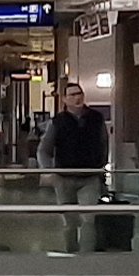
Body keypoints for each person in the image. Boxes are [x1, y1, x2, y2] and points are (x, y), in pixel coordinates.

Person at [43, 80, 109, 248]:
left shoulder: (96, 118)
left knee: (89, 219)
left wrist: (101, 166)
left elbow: (103, 143)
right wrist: (48, 171)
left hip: (90, 177)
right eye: (72, 95)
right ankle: (70, 252)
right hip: (63, 177)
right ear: (65, 99)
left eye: (79, 94)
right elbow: (44, 149)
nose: (77, 98)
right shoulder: (58, 121)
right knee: (70, 222)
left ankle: (87, 257)